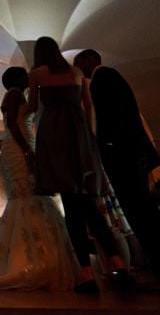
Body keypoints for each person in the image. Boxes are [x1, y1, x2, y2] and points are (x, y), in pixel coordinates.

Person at [0, 67, 81, 289]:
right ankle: (27, 257)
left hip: (26, 143)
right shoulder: (13, 93)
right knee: (25, 194)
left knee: (32, 194)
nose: (26, 77)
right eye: (24, 75)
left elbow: (31, 109)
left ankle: (38, 256)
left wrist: (37, 85)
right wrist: (27, 151)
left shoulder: (20, 94)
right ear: (15, 79)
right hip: (19, 146)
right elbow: (12, 123)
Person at [77, 49, 160, 286]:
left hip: (123, 155)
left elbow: (115, 117)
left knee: (141, 213)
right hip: (129, 153)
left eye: (81, 64)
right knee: (143, 212)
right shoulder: (107, 78)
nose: (80, 70)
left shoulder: (104, 78)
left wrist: (107, 146)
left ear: (91, 60)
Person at [27, 38, 127, 293]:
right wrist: (89, 138)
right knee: (88, 203)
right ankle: (119, 266)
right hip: (78, 132)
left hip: (54, 133)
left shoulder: (37, 73)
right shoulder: (76, 72)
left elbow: (32, 107)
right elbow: (88, 107)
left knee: (72, 207)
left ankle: (86, 274)